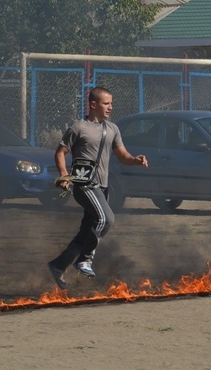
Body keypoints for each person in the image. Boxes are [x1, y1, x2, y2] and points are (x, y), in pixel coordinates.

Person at [47, 87, 148, 289]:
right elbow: (60, 152)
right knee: (106, 219)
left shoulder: (112, 129)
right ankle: (84, 259)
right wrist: (64, 176)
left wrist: (135, 160)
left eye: (111, 103)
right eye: (106, 103)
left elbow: (122, 155)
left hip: (103, 186)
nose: (110, 107)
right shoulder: (78, 128)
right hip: (84, 184)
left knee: (86, 232)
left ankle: (58, 265)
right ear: (93, 105)